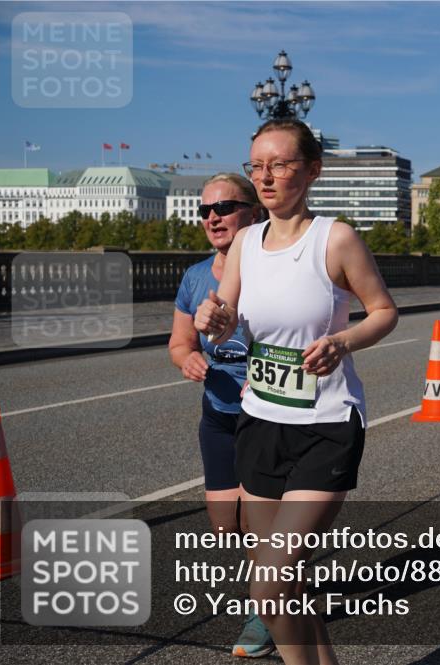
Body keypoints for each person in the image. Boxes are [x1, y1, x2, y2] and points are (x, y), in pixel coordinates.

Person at [195, 119, 398, 665]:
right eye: (256, 166)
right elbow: (228, 316)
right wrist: (213, 316)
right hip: (260, 421)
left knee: (269, 586)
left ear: (311, 171)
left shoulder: (335, 238)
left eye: (279, 165)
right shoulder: (243, 242)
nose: (265, 177)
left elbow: (384, 312)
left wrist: (343, 341)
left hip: (327, 425)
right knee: (289, 589)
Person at [169, 173, 272, 657]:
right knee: (225, 522)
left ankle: (265, 610)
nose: (213, 217)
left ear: (254, 212)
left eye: (225, 207)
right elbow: (178, 342)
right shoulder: (194, 278)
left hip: (267, 415)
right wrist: (186, 358)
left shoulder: (273, 270)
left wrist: (268, 373)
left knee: (259, 521)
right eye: (205, 210)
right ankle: (284, 575)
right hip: (217, 413)